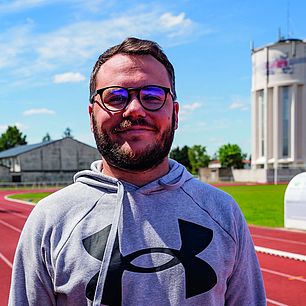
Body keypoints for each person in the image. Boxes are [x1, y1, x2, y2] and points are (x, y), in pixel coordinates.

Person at [9, 37, 266, 305]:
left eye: (152, 96)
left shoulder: (222, 213)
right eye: (115, 97)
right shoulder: (51, 219)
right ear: (91, 115)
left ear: (175, 114)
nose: (134, 109)